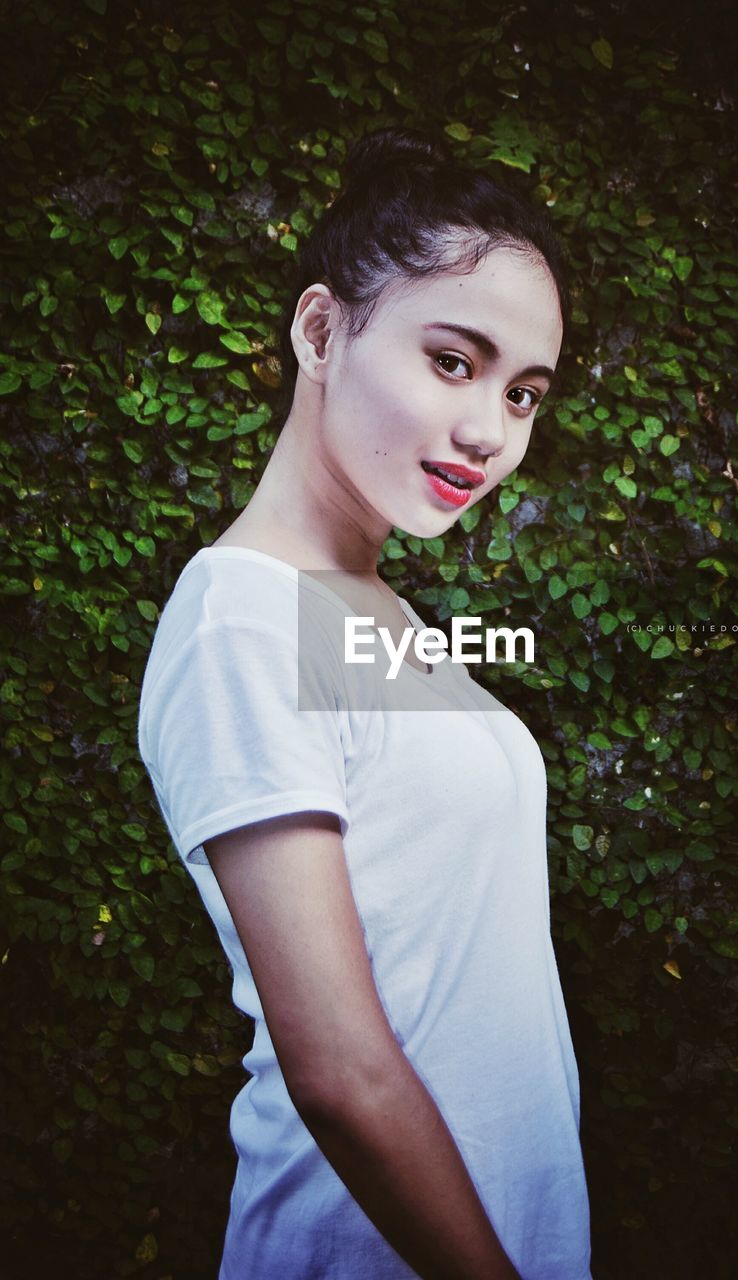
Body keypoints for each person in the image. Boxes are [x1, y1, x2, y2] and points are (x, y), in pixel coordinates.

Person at [137, 127, 593, 1280]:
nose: (490, 432)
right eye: (453, 360)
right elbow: (337, 1069)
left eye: (523, 391)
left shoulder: (380, 612)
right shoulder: (241, 614)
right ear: (320, 329)